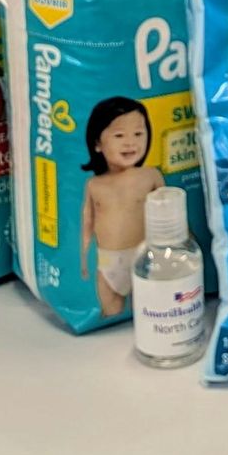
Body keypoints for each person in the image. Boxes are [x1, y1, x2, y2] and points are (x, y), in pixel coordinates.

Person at [80, 97, 164, 317]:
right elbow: (88, 222)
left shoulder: (150, 175)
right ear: (97, 144)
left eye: (138, 134)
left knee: (148, 312)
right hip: (107, 262)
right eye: (119, 135)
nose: (130, 142)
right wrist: (83, 259)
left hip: (144, 256)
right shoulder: (94, 184)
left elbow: (169, 213)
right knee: (110, 312)